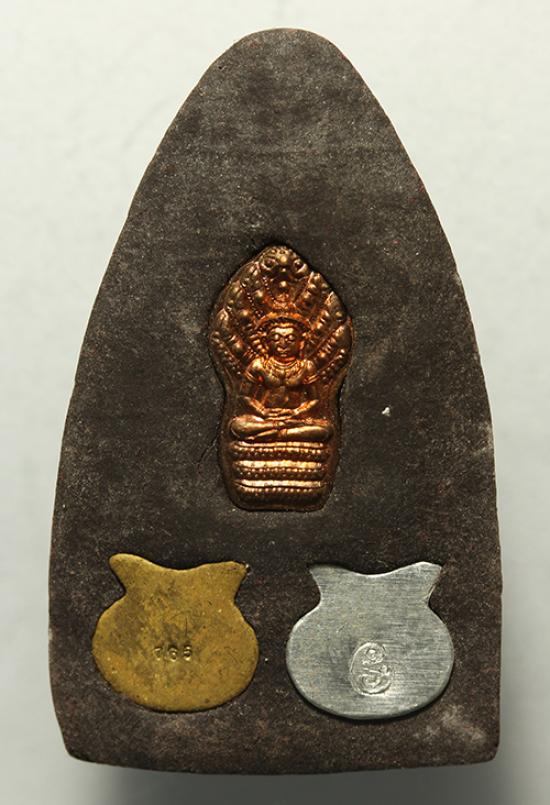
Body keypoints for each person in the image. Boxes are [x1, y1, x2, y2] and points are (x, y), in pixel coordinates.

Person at [229, 316, 333, 443]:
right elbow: (244, 397)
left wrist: (297, 412)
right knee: (237, 426)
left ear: (301, 342)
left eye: (291, 339)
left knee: (325, 429)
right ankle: (280, 431)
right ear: (266, 342)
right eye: (275, 339)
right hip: (266, 418)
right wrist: (263, 412)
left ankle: (277, 434)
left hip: (295, 419)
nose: (283, 345)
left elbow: (315, 399)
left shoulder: (306, 367)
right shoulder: (259, 365)